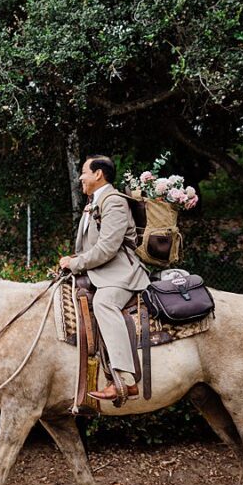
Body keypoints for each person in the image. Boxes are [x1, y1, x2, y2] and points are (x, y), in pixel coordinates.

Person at [59, 155, 151, 401]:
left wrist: (76, 263)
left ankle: (125, 379)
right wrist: (72, 260)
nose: (80, 177)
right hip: (100, 272)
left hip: (121, 274)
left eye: (84, 172)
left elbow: (108, 247)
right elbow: (91, 247)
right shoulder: (94, 203)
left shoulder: (114, 202)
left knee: (104, 303)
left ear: (98, 174)